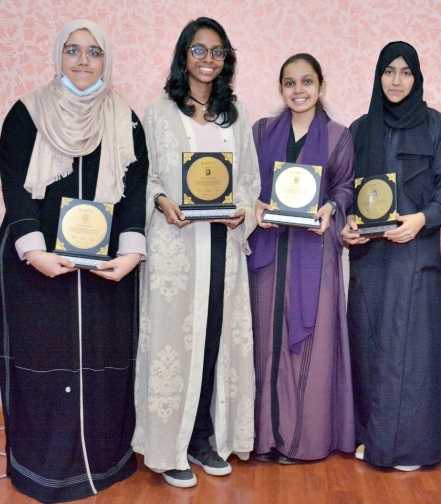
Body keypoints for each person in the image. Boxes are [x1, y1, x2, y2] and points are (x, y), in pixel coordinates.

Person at [0, 19, 147, 503]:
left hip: (106, 272)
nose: (83, 61)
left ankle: (104, 464)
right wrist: (33, 250)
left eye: (94, 52)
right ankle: (41, 471)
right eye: (74, 51)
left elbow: (135, 191)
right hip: (34, 265)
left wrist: (131, 253)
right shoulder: (26, 113)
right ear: (59, 56)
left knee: (104, 363)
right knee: (44, 363)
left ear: (107, 59)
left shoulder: (124, 117)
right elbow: (15, 184)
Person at [132, 18, 260, 488]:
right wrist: (161, 201)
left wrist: (242, 209)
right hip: (176, 246)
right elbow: (143, 179)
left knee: (213, 343)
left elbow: (248, 179)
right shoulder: (158, 112)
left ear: (227, 60)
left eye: (218, 52)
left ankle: (206, 438)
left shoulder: (235, 113)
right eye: (199, 50)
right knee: (173, 345)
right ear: (184, 54)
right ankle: (172, 446)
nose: (209, 60)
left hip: (221, 246)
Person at [342, 41, 441, 470]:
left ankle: (413, 446)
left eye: (406, 72)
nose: (396, 80)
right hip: (370, 257)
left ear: (417, 77)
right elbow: (344, 190)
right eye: (389, 71)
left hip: (415, 254)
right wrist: (348, 224)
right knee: (369, 344)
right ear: (378, 75)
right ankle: (371, 437)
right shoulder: (359, 128)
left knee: (412, 351)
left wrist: (422, 219)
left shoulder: (435, 125)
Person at [248, 54, 355, 463]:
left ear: (321, 86)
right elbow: (248, 184)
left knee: (310, 342)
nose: (298, 90)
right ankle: (266, 437)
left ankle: (302, 441)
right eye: (289, 82)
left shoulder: (337, 136)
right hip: (269, 252)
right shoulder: (260, 132)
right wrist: (256, 204)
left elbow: (345, 187)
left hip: (315, 252)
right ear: (280, 89)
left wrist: (332, 206)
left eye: (307, 81)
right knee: (266, 342)